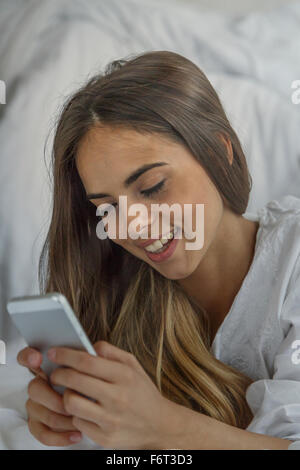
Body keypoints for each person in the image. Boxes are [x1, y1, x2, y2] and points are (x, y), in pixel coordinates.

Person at [17, 50, 300, 450]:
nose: (131, 226)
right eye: (107, 208)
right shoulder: (115, 292)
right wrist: (65, 411)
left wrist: (163, 427)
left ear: (220, 152)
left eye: (152, 188)